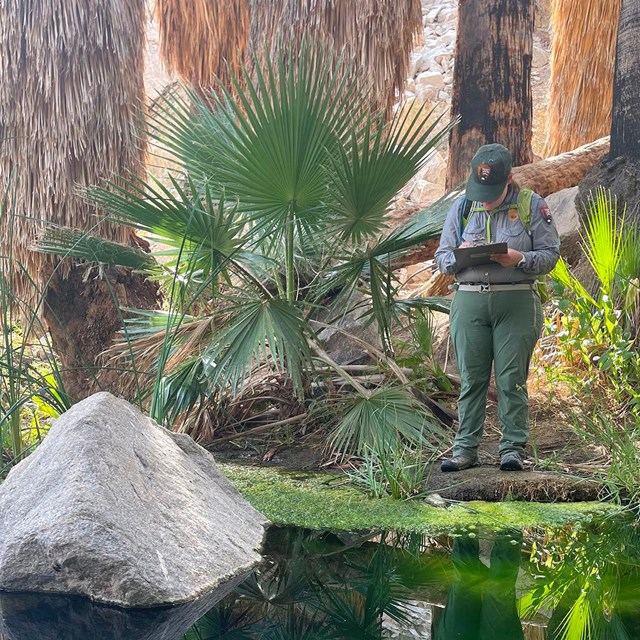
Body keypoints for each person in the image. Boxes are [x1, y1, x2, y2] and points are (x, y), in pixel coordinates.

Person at [435, 143, 560, 472]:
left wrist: (520, 258)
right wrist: (458, 254)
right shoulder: (462, 207)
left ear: (508, 181)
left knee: (510, 379)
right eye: (480, 190)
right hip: (469, 300)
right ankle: (465, 450)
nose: (485, 198)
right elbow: (442, 258)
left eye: (492, 191)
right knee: (472, 379)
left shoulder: (532, 205)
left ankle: (513, 449)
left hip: (516, 300)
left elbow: (550, 255)